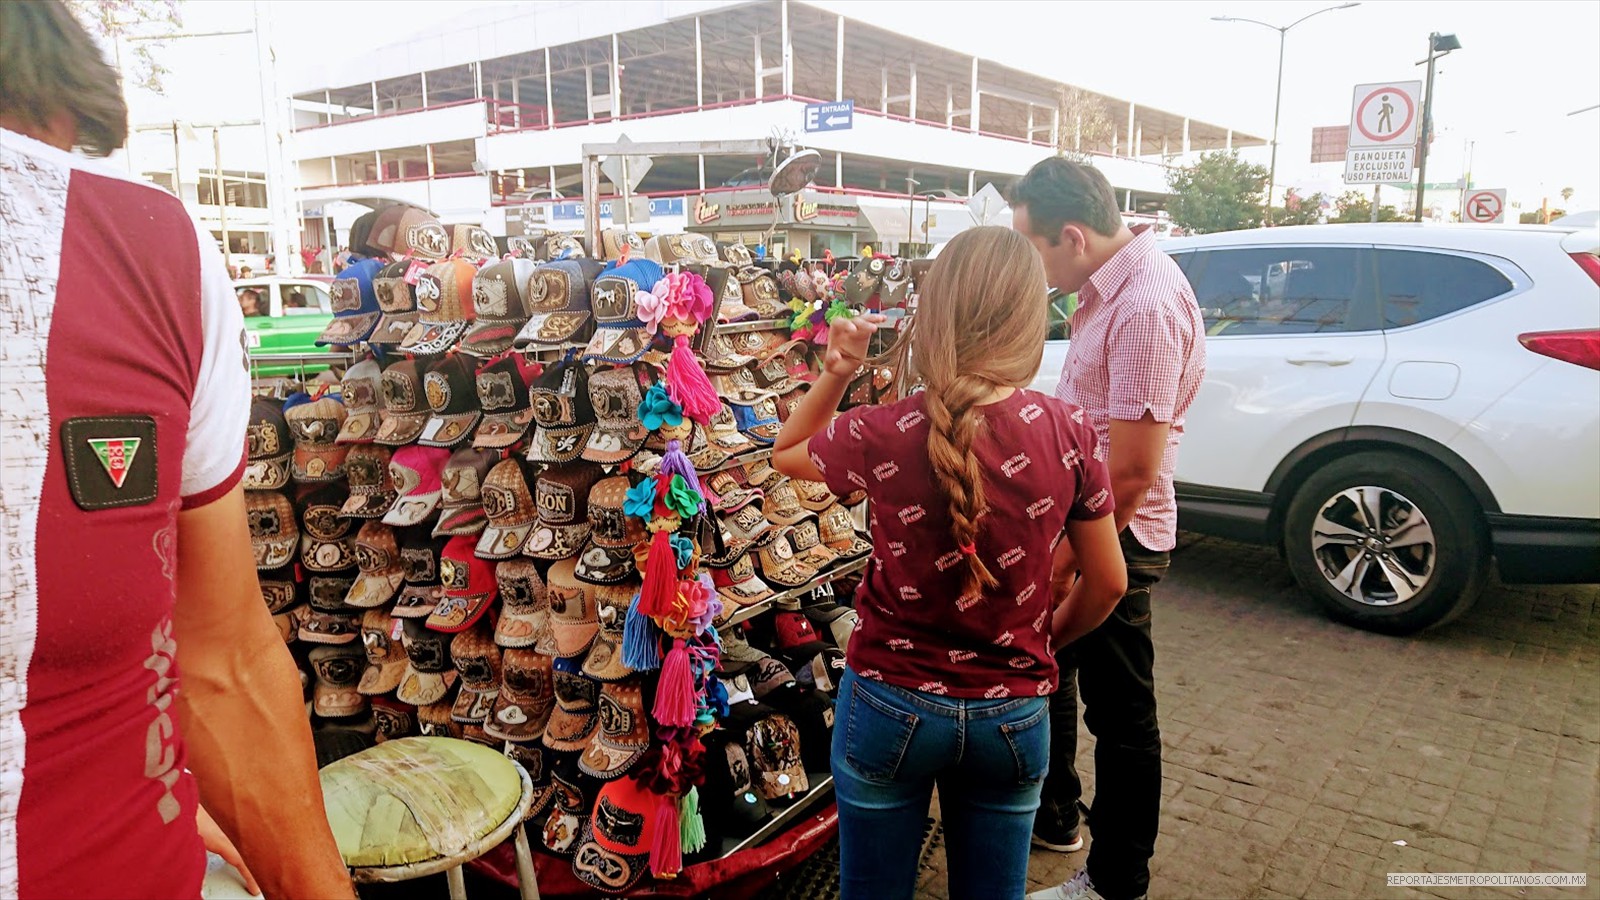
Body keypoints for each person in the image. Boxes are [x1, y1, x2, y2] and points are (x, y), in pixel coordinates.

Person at [0, 4, 354, 897]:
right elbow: (224, 659)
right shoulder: (144, 247)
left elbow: (220, 658)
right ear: (62, 108)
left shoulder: (151, 253)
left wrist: (143, 767)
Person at [773, 226, 1129, 900]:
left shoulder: (881, 429)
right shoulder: (1072, 431)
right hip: (1016, 714)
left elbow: (788, 452)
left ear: (934, 314)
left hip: (887, 701)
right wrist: (1043, 638)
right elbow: (1109, 582)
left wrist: (839, 370)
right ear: (1029, 317)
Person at [1010, 158, 1207, 900]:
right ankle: (1055, 815)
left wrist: (1068, 561)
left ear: (1070, 234)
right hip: (1085, 529)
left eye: (1032, 248)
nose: (1033, 268)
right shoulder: (1107, 290)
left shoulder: (1145, 306)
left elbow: (1130, 471)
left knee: (1121, 715)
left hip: (1114, 537)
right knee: (1053, 672)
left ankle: (1115, 879)